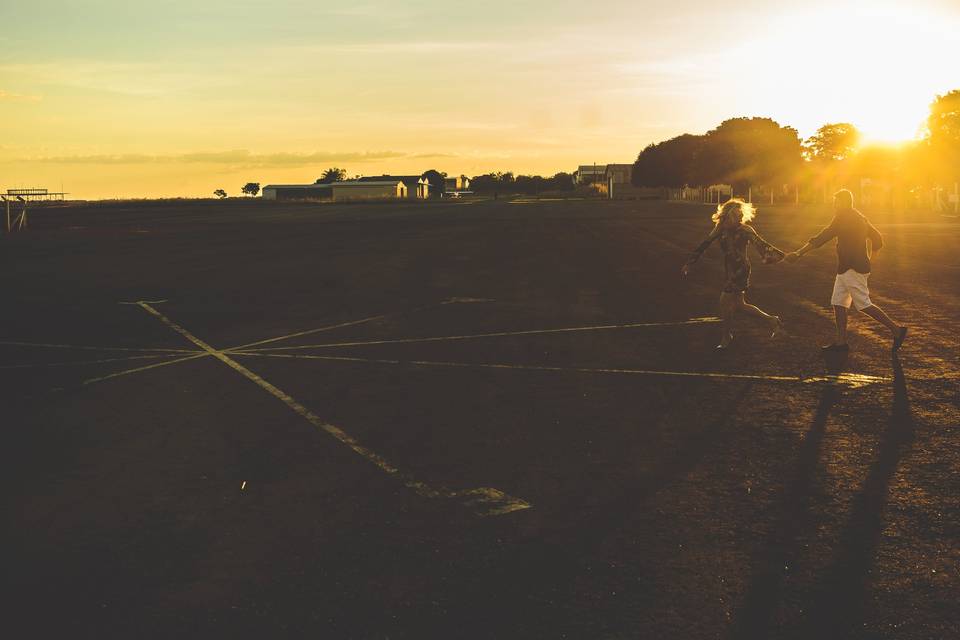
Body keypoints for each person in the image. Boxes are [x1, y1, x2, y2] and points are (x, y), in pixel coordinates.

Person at [784, 189, 908, 352]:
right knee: (838, 303)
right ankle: (841, 343)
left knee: (863, 304)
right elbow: (877, 239)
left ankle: (896, 330)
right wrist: (870, 261)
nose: (834, 205)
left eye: (836, 201)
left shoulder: (843, 217)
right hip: (846, 268)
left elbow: (823, 237)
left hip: (852, 268)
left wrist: (799, 253)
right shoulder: (859, 217)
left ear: (842, 202)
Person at [682, 198, 785, 349]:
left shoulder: (745, 229)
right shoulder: (720, 228)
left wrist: (774, 256)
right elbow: (705, 243)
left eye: (741, 214)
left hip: (741, 269)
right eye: (737, 215)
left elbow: (761, 245)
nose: (741, 217)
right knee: (739, 304)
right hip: (729, 268)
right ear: (728, 215)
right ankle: (772, 320)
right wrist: (690, 262)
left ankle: (726, 336)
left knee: (724, 302)